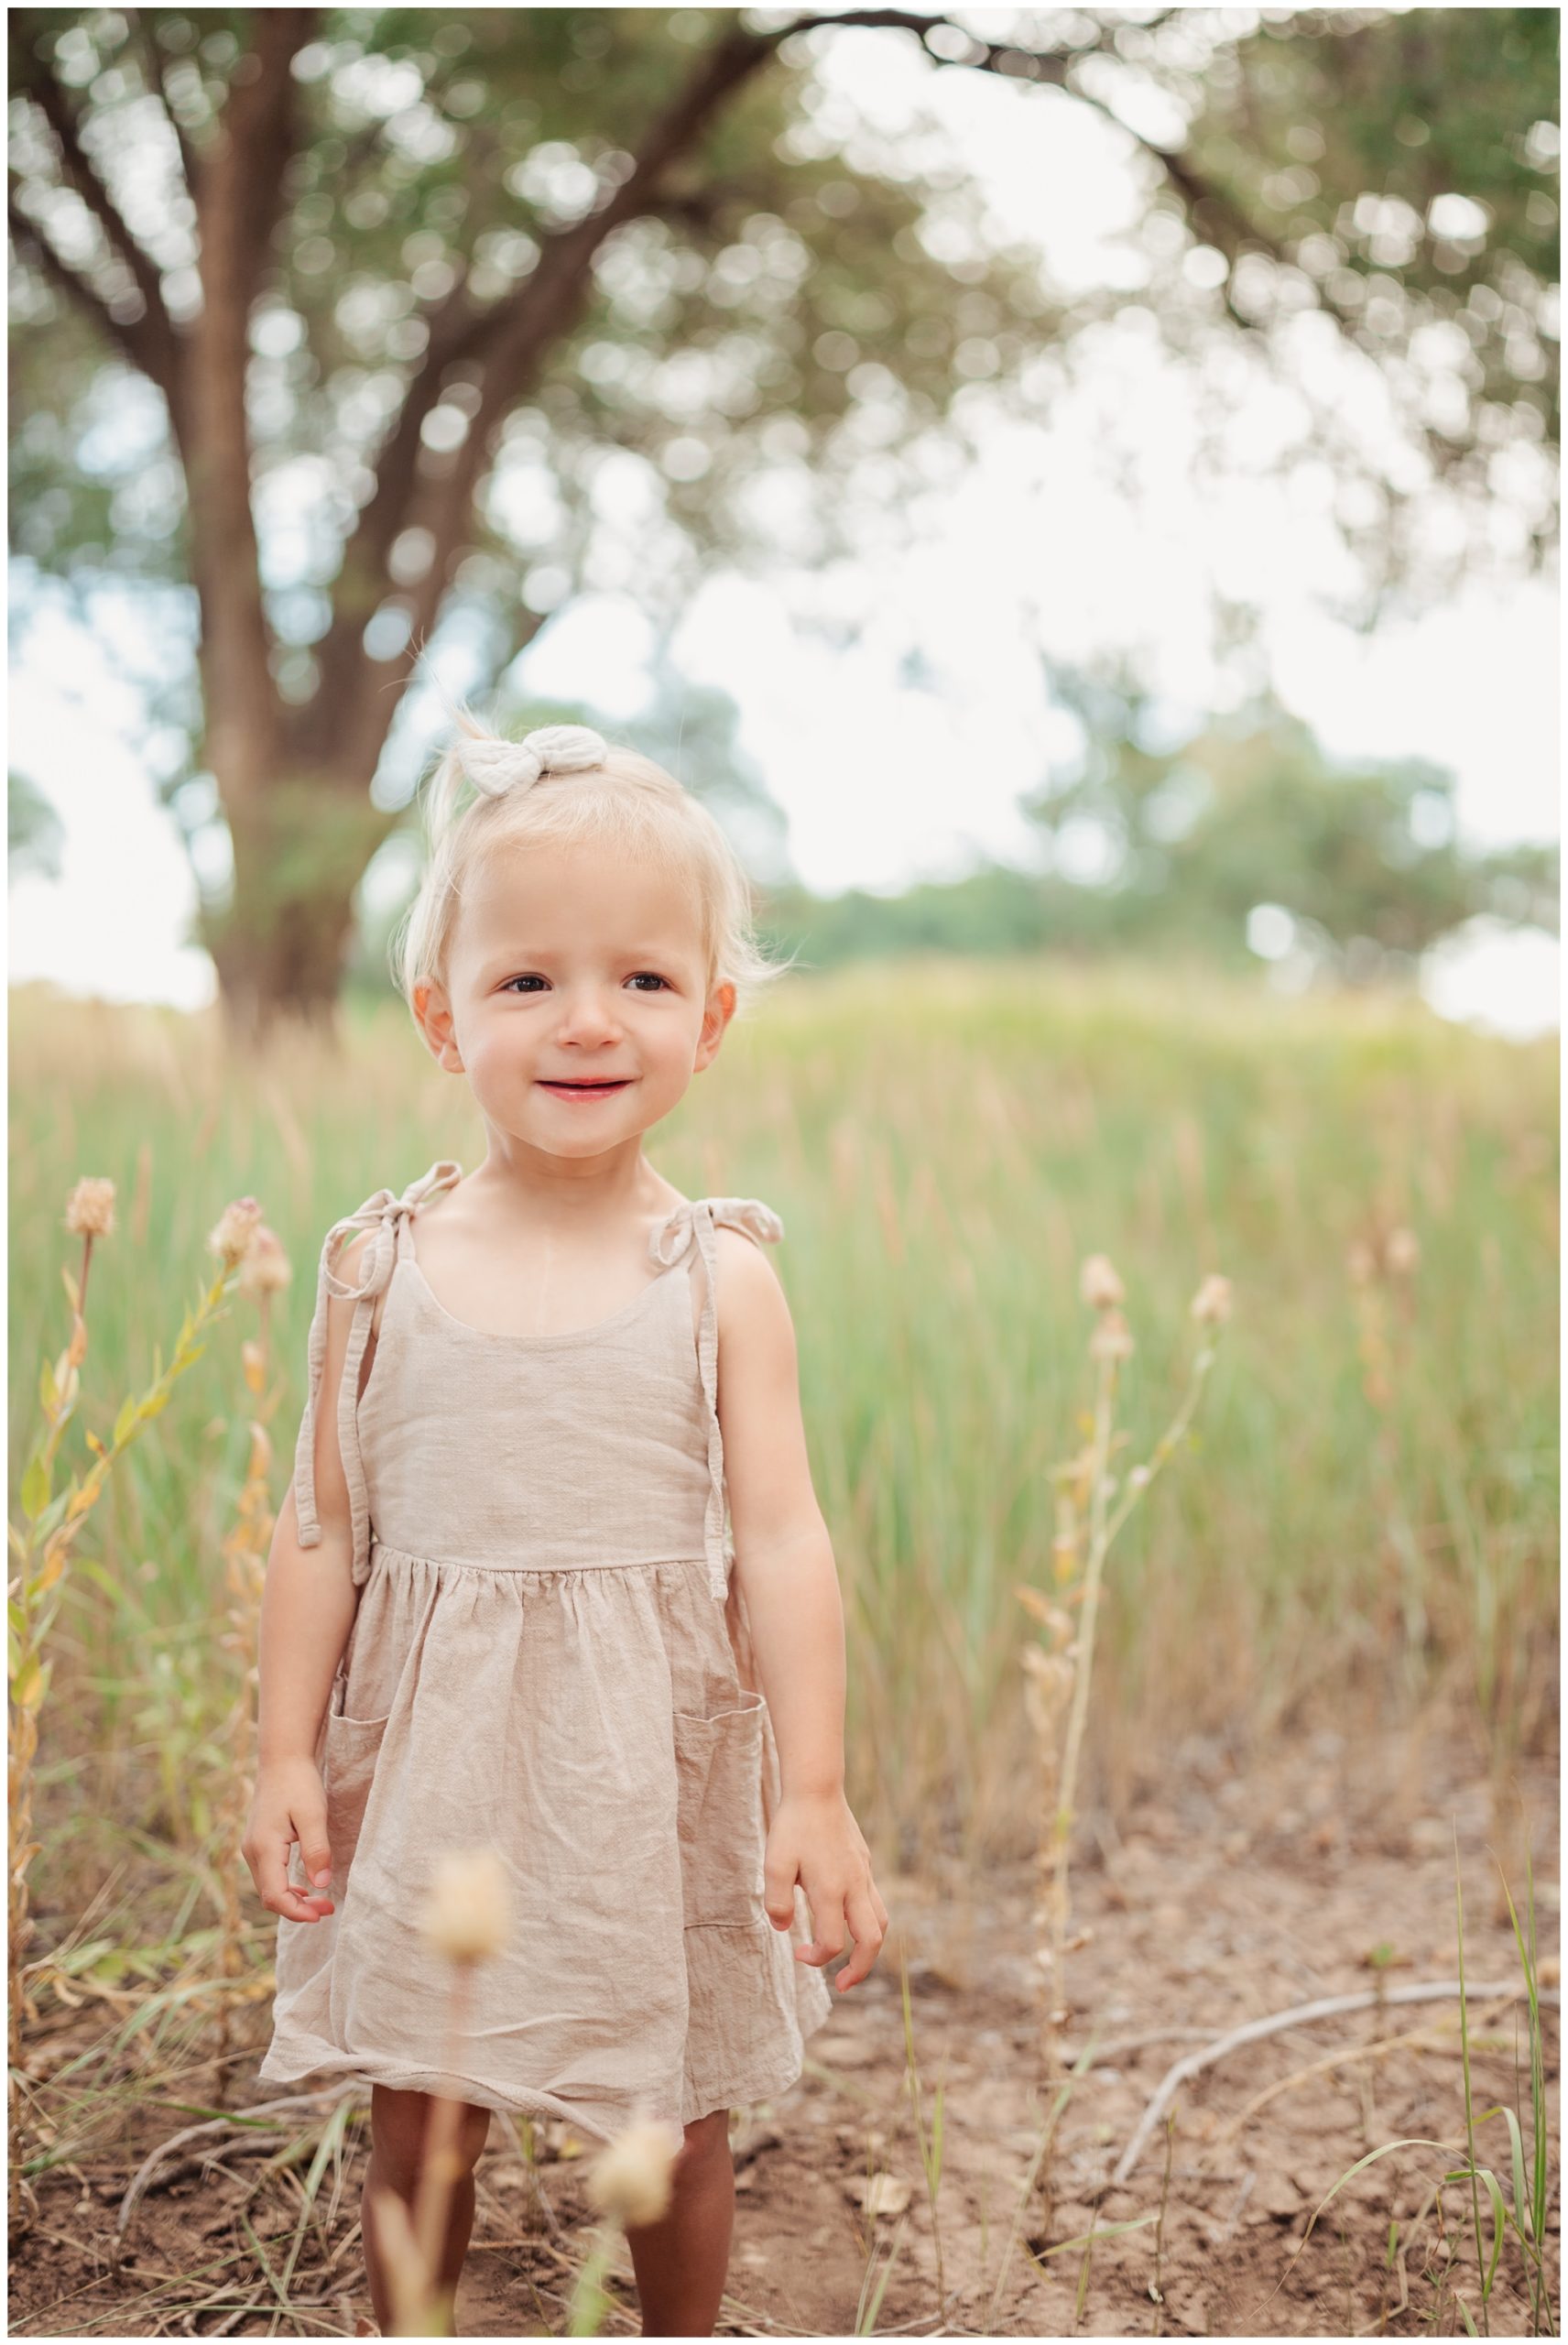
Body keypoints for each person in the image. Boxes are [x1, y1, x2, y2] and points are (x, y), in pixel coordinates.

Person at [245, 714, 887, 2336]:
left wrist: (813, 1789)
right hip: (436, 1755)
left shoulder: (719, 1278)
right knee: (426, 2093)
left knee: (663, 2106)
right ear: (440, 1015)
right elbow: (319, 1530)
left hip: (641, 1764)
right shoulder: (373, 1267)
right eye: (528, 980)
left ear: (714, 1017)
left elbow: (787, 1543)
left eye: (645, 982)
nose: (588, 1022)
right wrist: (280, 1756)